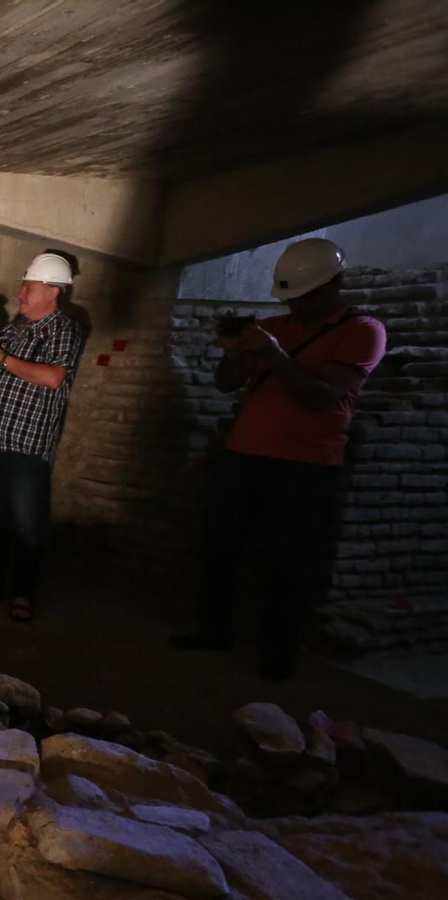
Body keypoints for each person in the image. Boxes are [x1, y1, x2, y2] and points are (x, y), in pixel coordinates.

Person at [171, 237, 386, 680]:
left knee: (289, 561)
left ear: (334, 285)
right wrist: (234, 352)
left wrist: (270, 352)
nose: (296, 307)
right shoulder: (276, 327)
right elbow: (228, 383)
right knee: (220, 546)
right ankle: (215, 630)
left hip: (305, 466)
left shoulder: (363, 331)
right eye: (290, 299)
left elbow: (321, 395)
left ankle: (278, 651)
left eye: (304, 298)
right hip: (244, 456)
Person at [0, 252, 87, 622]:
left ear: (52, 291)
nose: (22, 295)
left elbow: (54, 378)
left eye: (28, 288)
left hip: (27, 446)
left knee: (27, 523)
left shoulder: (63, 329)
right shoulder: (15, 330)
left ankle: (24, 593)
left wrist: (5, 362)